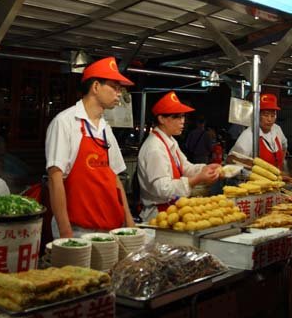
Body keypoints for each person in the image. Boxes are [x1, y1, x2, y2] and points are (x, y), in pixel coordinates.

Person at [45, 57, 136, 238]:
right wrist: (65, 231)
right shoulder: (65, 122)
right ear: (95, 87)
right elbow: (55, 179)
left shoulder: (105, 127)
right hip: (77, 229)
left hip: (109, 226)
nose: (119, 94)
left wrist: (129, 221)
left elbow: (115, 179)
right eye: (114, 87)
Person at [137, 92, 221, 222]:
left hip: (171, 210)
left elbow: (185, 167)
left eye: (183, 116)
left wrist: (205, 169)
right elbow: (163, 189)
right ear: (162, 119)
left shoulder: (170, 141)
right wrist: (197, 179)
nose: (183, 121)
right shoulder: (155, 148)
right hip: (158, 215)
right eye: (177, 117)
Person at [231, 93, 288, 170]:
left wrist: (280, 166)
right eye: (266, 115)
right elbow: (232, 159)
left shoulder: (277, 129)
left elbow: (284, 146)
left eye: (272, 115)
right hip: (258, 180)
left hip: (277, 180)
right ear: (257, 115)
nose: (269, 119)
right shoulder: (249, 134)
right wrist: (254, 167)